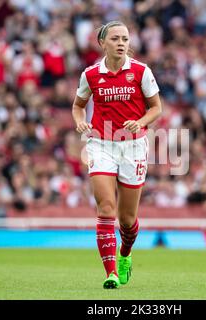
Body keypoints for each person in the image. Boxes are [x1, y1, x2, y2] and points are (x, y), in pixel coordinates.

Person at [72, 21, 162, 289]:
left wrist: (142, 121)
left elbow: (156, 107)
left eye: (125, 38)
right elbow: (78, 106)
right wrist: (79, 121)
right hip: (101, 144)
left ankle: (125, 255)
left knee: (127, 220)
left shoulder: (140, 71)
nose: (121, 43)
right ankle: (110, 272)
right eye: (115, 38)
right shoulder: (90, 75)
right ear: (103, 43)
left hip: (133, 146)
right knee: (106, 208)